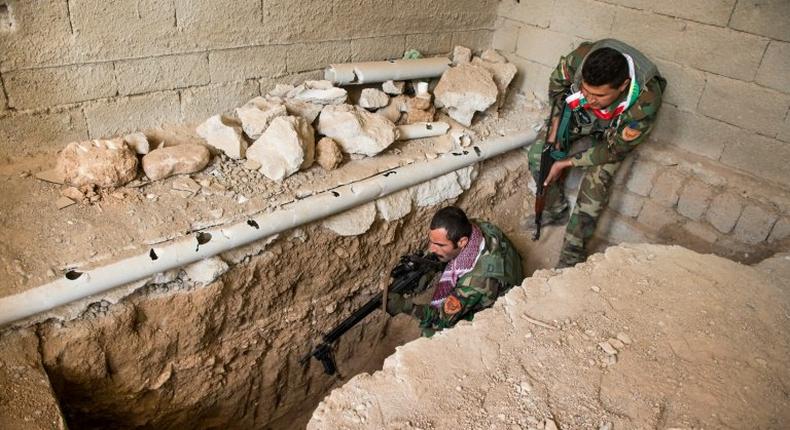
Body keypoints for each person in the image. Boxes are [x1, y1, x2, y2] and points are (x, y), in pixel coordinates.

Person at [526, 39, 666, 268]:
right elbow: (558, 89)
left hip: (615, 130)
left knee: (594, 190)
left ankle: (571, 257)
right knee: (539, 156)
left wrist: (566, 163)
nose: (590, 99)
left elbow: (615, 149)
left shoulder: (646, 100)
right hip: (583, 118)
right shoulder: (579, 60)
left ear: (623, 86)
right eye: (586, 91)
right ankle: (555, 209)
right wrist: (555, 130)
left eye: (599, 96)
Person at [386, 206, 523, 337]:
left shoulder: (476, 282)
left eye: (440, 245)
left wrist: (404, 306)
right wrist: (428, 271)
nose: (432, 249)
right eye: (431, 241)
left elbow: (440, 319)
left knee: (430, 333)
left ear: (462, 242)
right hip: (506, 264)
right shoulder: (473, 227)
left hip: (500, 297)